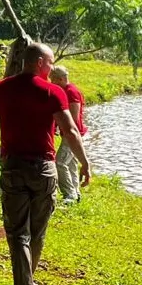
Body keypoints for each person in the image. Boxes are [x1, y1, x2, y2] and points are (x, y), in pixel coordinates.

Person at [0, 42, 91, 285]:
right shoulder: (52, 92)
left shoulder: (0, 88)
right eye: (50, 62)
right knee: (37, 229)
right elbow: (70, 131)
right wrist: (84, 162)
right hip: (43, 169)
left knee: (16, 232)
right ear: (39, 63)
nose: (52, 67)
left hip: (13, 166)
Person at [49, 65, 87, 204]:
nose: (51, 82)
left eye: (53, 80)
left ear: (60, 79)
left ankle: (69, 195)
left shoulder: (71, 92)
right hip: (68, 134)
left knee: (59, 162)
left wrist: (65, 130)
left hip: (72, 135)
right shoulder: (64, 90)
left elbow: (74, 117)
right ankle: (75, 193)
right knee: (71, 163)